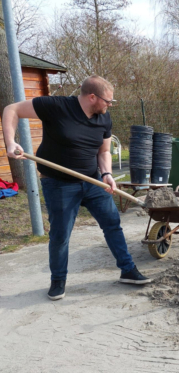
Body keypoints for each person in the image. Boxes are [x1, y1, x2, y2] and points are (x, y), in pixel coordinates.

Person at [2, 75, 152, 301]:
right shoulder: (56, 106)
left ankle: (127, 270)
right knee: (61, 235)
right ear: (92, 97)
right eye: (108, 101)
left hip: (93, 182)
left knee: (112, 224)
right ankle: (58, 280)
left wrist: (107, 174)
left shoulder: (104, 118)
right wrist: (11, 142)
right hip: (59, 184)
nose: (110, 105)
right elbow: (12, 109)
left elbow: (103, 152)